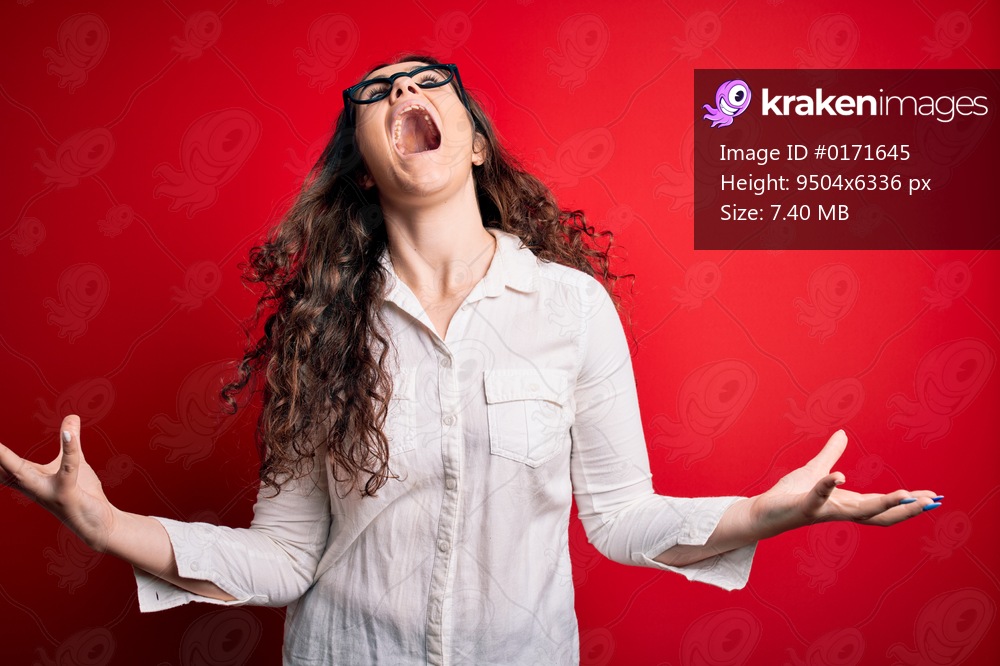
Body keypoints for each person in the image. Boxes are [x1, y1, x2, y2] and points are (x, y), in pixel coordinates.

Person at [0, 53, 941, 665]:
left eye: (427, 81)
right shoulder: (320, 330)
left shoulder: (572, 310)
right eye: (376, 93)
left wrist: (761, 516)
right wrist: (107, 525)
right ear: (364, 166)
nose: (404, 95)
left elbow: (620, 520)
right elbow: (288, 557)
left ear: (477, 143)